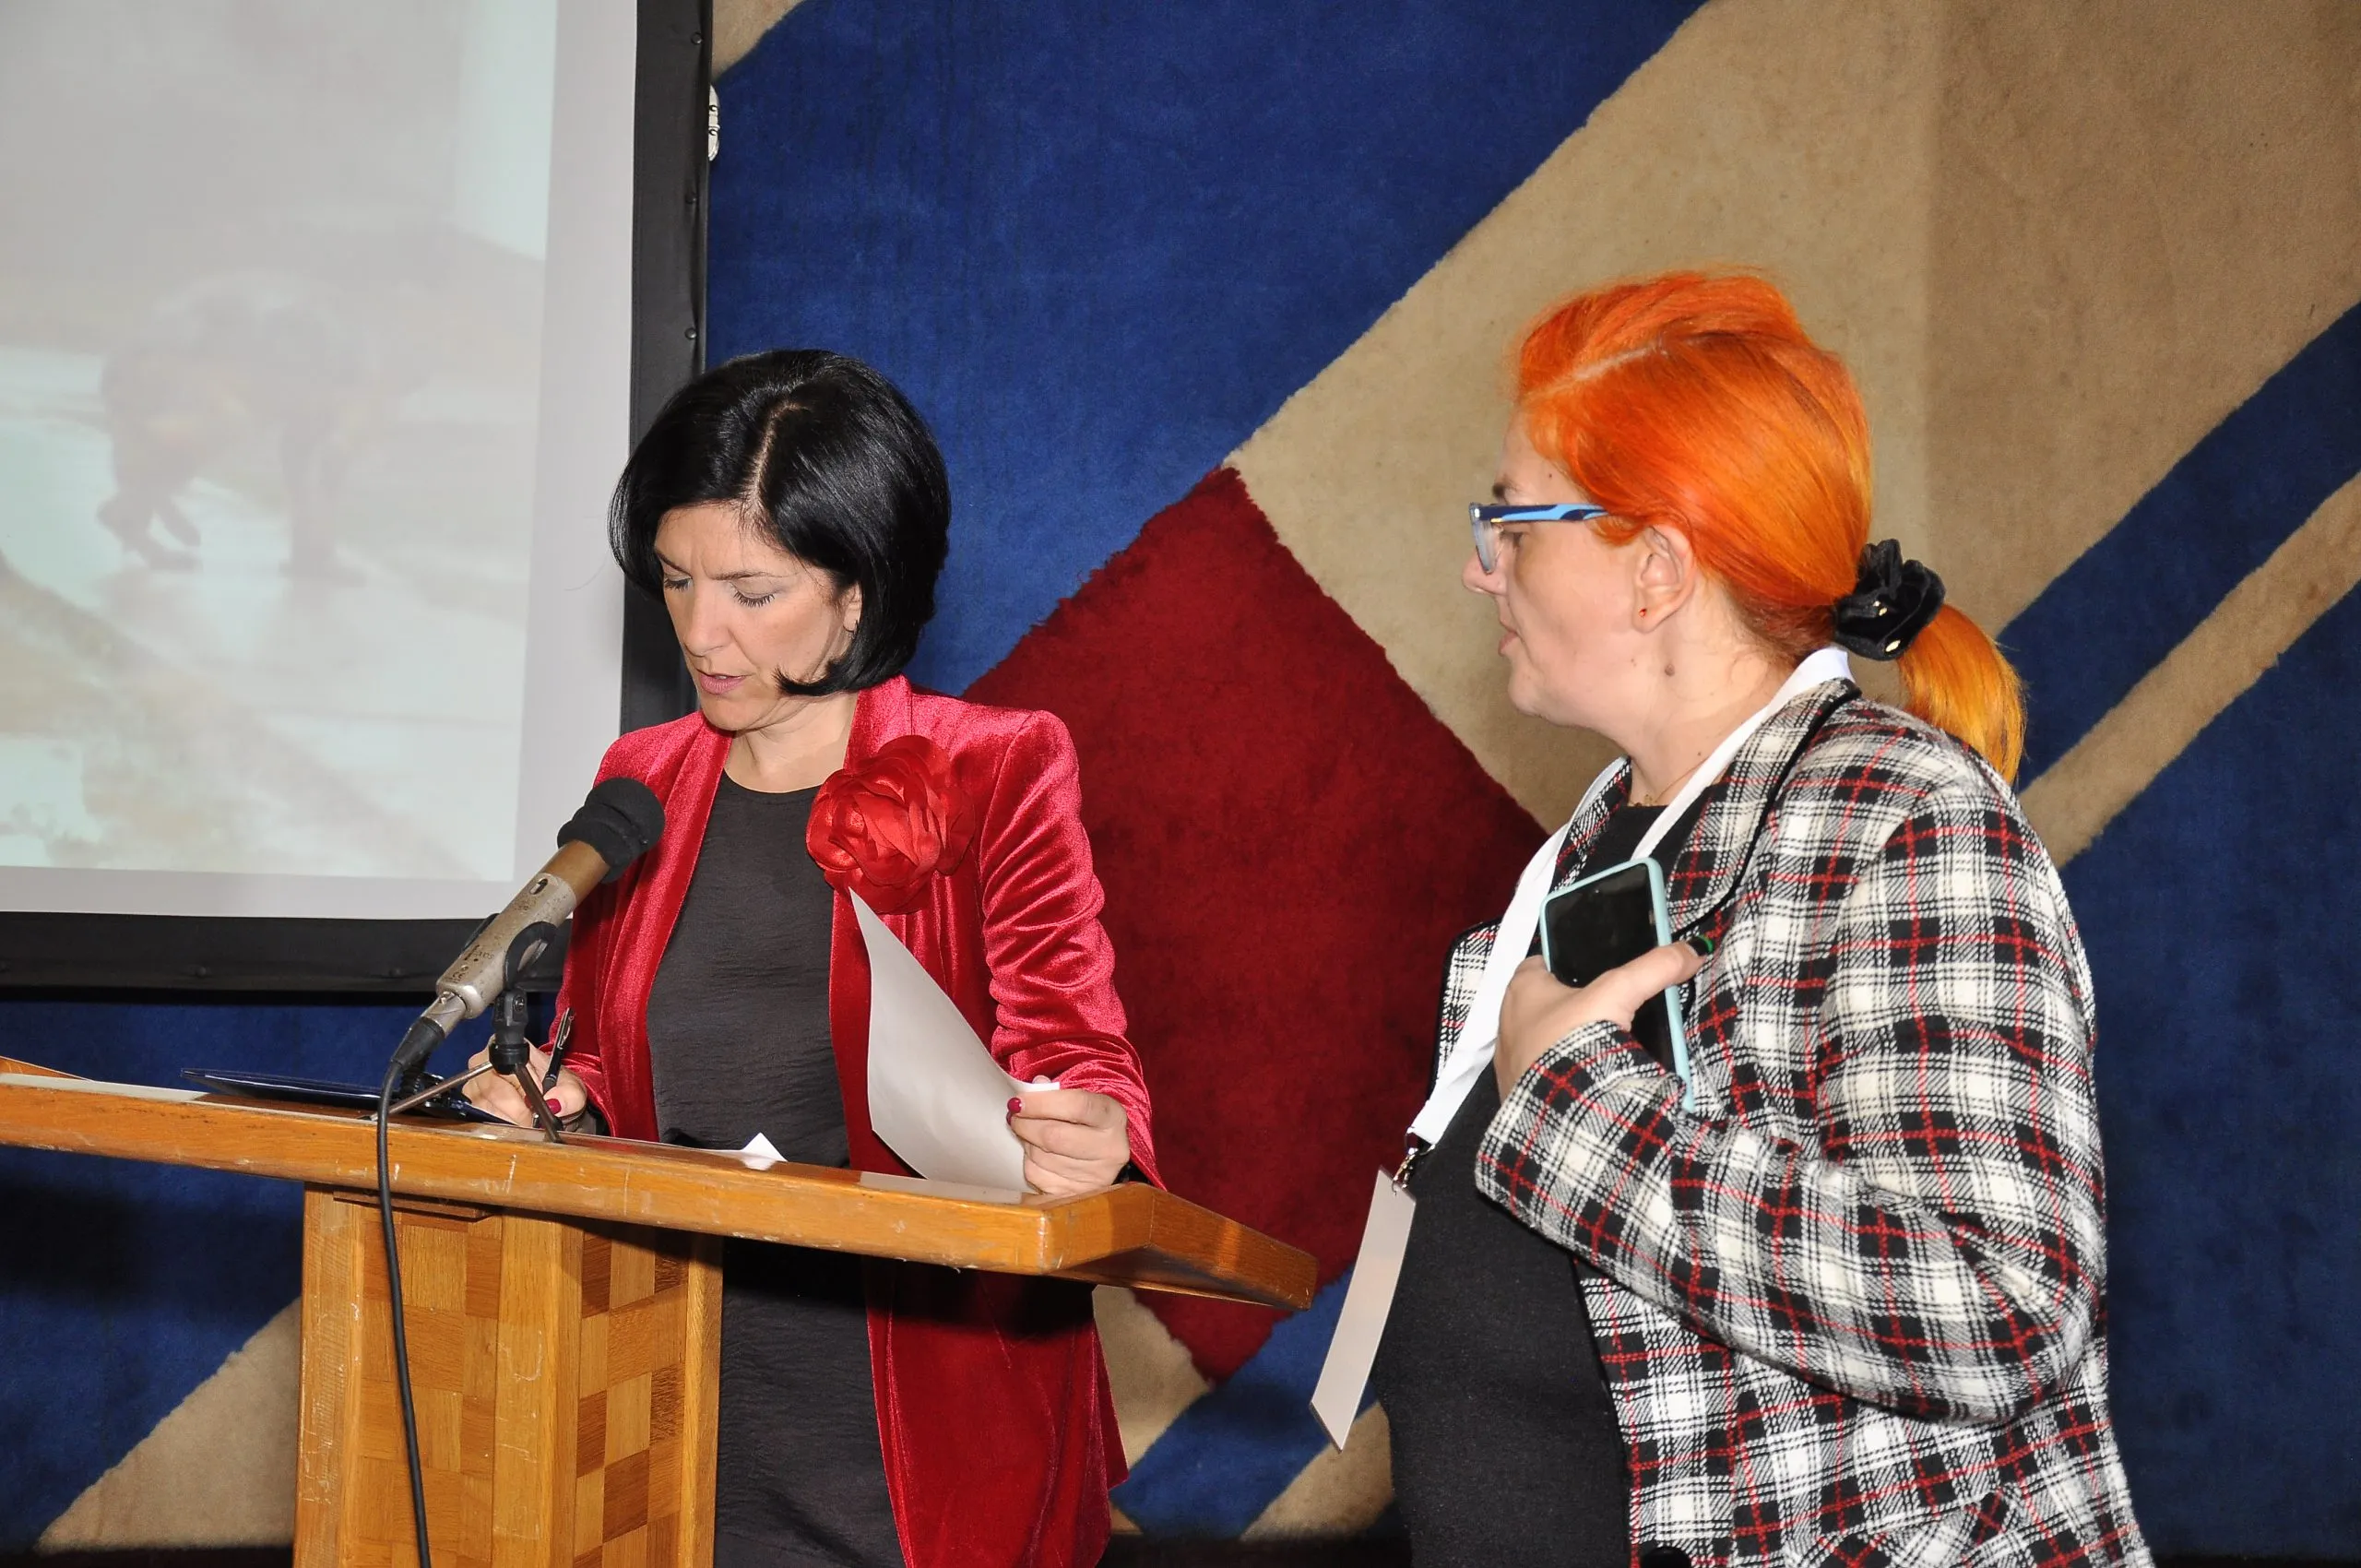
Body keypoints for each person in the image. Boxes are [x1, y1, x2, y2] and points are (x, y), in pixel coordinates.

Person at [1370, 274, 2149, 1568]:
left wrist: (1586, 1122)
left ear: (1657, 569)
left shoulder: (1907, 821)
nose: (1478, 566)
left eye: (1510, 520)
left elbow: (2002, 1305)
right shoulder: (1596, 844)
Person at [462, 350, 1157, 1568]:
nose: (700, 630)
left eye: (751, 590)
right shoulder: (642, 779)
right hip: (663, 1401)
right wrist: (557, 1101)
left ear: (856, 595)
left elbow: (1081, 1056)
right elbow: (610, 1061)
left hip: (912, 1424)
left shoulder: (994, 768)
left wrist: (1097, 1137)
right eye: (676, 580)